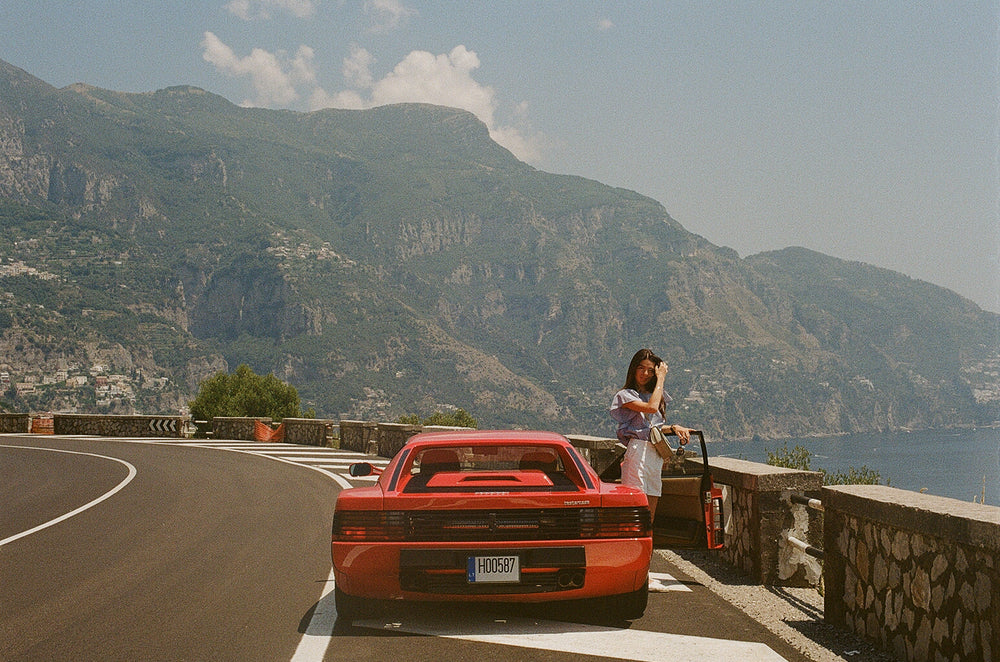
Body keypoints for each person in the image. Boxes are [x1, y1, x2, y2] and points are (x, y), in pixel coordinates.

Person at [609, 348, 693, 517]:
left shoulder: (654, 395)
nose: (645, 373)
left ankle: (649, 535)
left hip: (655, 454)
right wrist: (661, 378)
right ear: (633, 369)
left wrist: (674, 428)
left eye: (650, 370)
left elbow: (652, 428)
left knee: (651, 510)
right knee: (636, 509)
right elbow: (651, 408)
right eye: (641, 368)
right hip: (638, 452)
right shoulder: (625, 395)